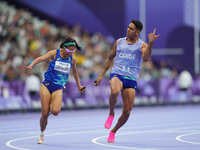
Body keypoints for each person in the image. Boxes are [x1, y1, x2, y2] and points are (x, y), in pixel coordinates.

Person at [95, 20, 159, 143]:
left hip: (131, 78)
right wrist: (101, 75)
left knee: (127, 112)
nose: (128, 30)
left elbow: (146, 58)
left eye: (131, 28)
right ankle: (111, 113)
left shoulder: (142, 45)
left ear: (137, 32)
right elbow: (110, 58)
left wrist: (150, 44)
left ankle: (113, 131)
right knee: (115, 91)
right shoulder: (119, 42)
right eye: (128, 27)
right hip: (117, 74)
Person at [25, 37, 85, 144]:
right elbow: (41, 58)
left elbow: (75, 73)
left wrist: (79, 86)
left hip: (58, 88)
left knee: (55, 111)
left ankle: (47, 113)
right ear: (63, 48)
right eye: (68, 50)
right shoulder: (54, 53)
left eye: (73, 51)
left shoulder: (72, 59)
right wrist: (31, 65)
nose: (70, 53)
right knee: (44, 113)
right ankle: (41, 134)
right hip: (47, 85)